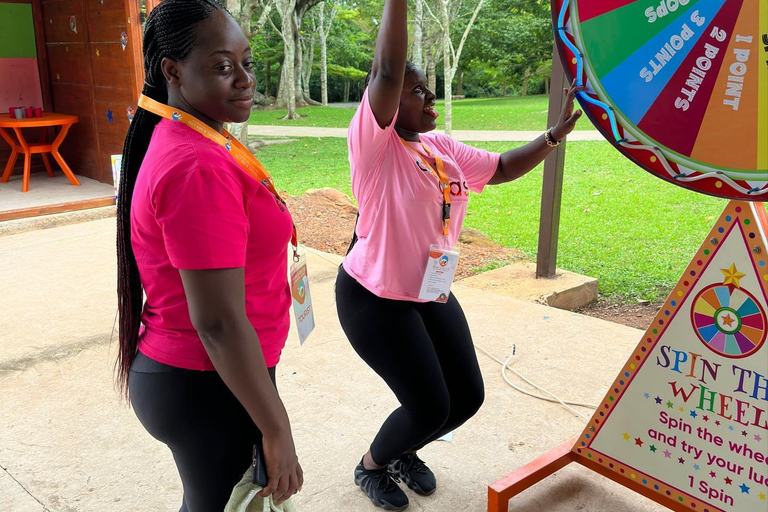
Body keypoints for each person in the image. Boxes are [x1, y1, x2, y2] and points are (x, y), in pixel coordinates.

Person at [335, 1, 584, 509]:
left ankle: (405, 451)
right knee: (428, 404)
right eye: (416, 89)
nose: (429, 95)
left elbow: (502, 167)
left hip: (430, 287)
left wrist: (553, 136)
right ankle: (372, 466)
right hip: (374, 297)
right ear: (384, 99)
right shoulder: (374, 147)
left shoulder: (439, 146)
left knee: (466, 397)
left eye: (428, 86)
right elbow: (386, 68)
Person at [115, 1, 302, 510]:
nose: (244, 79)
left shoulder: (200, 138)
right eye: (223, 66)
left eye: (246, 62)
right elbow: (217, 322)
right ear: (172, 72)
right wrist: (277, 429)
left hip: (214, 374)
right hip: (206, 381)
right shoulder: (197, 164)